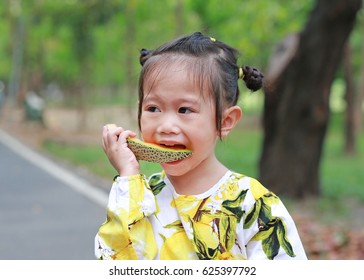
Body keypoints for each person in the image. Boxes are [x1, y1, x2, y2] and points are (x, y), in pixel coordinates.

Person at [95, 32, 307, 260]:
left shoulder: (254, 206)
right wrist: (128, 176)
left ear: (225, 122)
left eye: (184, 110)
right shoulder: (139, 197)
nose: (166, 126)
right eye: (153, 108)